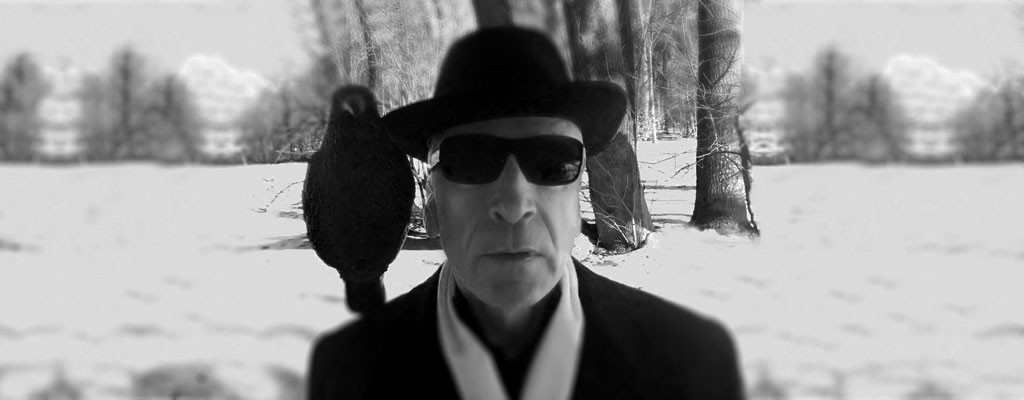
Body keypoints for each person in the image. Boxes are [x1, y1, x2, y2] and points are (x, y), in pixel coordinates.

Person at [306, 26, 746, 400]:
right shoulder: (347, 375)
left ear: (578, 198)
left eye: (553, 163)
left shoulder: (691, 365)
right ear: (433, 206)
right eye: (469, 162)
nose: (515, 206)